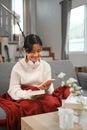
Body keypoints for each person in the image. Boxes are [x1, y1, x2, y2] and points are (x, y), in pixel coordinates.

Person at [8, 34, 55, 100]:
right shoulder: (18, 67)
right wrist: (29, 95)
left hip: (41, 97)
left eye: (38, 51)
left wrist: (48, 88)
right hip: (25, 98)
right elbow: (13, 90)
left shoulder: (46, 66)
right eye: (32, 52)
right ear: (25, 50)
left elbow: (50, 92)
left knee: (52, 103)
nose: (36, 55)